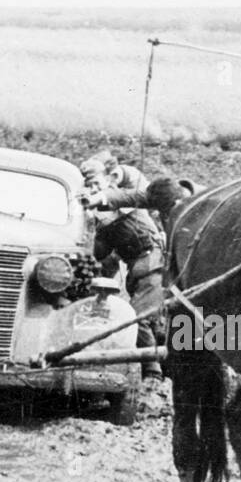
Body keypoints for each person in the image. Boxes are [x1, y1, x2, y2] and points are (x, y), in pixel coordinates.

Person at [79, 157, 165, 379]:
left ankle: (152, 372)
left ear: (109, 178)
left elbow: (130, 189)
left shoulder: (122, 195)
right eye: (90, 186)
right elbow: (102, 255)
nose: (94, 189)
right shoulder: (101, 217)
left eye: (97, 182)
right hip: (137, 268)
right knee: (144, 318)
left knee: (139, 317)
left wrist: (107, 189)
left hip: (152, 261)